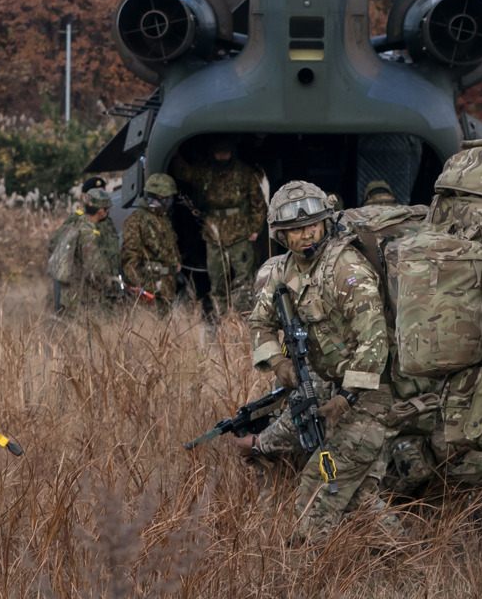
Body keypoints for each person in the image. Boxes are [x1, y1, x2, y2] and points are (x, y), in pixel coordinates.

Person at [248, 180, 422, 542]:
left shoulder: (345, 267)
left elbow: (374, 340)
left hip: (372, 396)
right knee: (357, 494)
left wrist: (347, 399)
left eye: (311, 225)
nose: (305, 235)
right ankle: (405, 560)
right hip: (331, 390)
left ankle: (309, 569)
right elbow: (260, 323)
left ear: (326, 223)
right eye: (294, 230)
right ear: (281, 236)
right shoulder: (283, 271)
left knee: (318, 486)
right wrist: (278, 363)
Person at [172, 137, 267, 313]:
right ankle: (222, 316)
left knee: (244, 278)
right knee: (217, 279)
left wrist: (256, 229)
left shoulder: (244, 173)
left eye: (225, 153)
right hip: (213, 234)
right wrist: (175, 151)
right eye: (218, 153)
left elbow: (258, 202)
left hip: (240, 232)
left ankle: (242, 315)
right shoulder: (206, 173)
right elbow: (184, 173)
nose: (222, 157)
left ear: (232, 153)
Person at [48, 187, 121, 312]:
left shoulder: (75, 224)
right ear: (100, 210)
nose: (108, 211)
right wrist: (112, 283)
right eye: (106, 208)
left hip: (69, 293)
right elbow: (96, 267)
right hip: (81, 297)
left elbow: (53, 245)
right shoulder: (88, 233)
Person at [121, 174, 183, 307]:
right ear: (159, 196)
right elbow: (130, 256)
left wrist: (176, 261)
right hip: (148, 291)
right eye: (169, 197)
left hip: (167, 289)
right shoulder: (136, 220)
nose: (171, 200)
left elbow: (171, 245)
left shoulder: (164, 219)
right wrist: (138, 285)